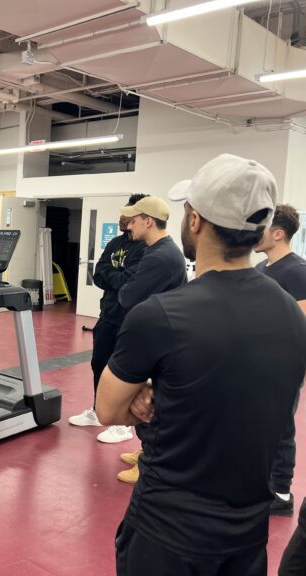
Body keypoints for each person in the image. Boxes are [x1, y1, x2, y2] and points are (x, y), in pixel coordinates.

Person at [97, 153, 306, 576]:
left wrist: (152, 393)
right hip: (247, 539)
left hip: (167, 536)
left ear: (195, 221)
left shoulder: (160, 315)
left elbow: (108, 410)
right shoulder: (292, 312)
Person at [96, 195, 187, 451]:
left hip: (159, 337)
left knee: (149, 400)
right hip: (155, 333)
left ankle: (150, 458)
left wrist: (123, 287)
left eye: (133, 221)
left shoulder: (159, 257)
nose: (129, 226)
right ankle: (145, 452)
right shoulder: (159, 251)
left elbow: (127, 295)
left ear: (148, 221)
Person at [68, 194, 146, 429]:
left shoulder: (146, 249)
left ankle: (122, 424)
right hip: (108, 315)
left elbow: (129, 281)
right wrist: (115, 277)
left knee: (124, 370)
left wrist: (113, 277)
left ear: (139, 218)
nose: (121, 218)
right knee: (99, 363)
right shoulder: (115, 244)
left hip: (130, 319)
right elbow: (99, 272)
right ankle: (97, 410)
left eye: (126, 214)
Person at [254, 204, 306, 517]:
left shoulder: (297, 271)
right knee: (259, 423)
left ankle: (282, 491)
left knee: (281, 426)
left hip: (283, 364)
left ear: (278, 233)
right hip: (255, 361)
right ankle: (262, 480)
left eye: (263, 227)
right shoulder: (261, 269)